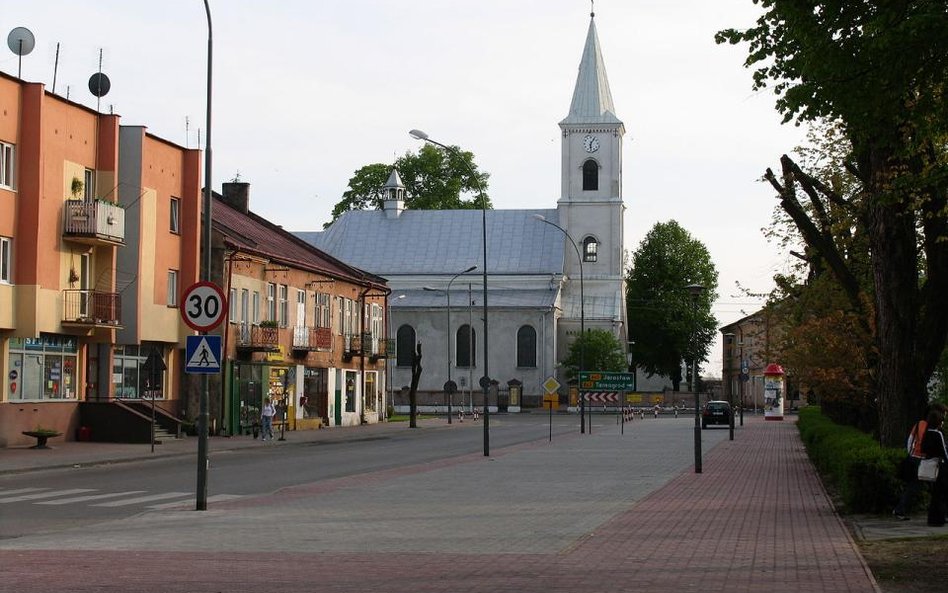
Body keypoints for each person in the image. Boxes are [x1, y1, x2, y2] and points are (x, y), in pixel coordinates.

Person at [895, 403, 948, 520]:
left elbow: (910, 440)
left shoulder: (919, 424)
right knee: (937, 487)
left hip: (916, 458)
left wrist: (911, 454)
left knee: (914, 486)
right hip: (928, 460)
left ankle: (900, 509)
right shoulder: (935, 429)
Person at [921, 408, 948, 527]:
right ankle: (939, 517)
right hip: (940, 465)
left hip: (930, 463)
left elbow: (923, 449)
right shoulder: (938, 434)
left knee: (935, 494)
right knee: (941, 493)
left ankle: (932, 517)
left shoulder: (926, 433)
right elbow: (944, 451)